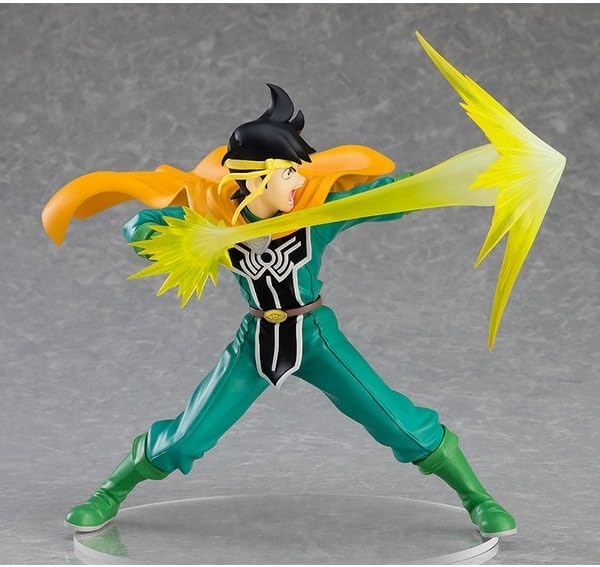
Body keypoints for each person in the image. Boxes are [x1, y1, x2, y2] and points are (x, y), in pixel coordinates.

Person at [44, 84, 516, 538]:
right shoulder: (216, 221)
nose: (299, 181)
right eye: (289, 172)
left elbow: (389, 197)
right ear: (255, 177)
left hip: (316, 337)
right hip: (254, 343)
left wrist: (477, 175)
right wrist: (189, 236)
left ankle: (479, 498)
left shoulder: (316, 218)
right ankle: (109, 493)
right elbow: (138, 227)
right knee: (189, 435)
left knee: (397, 422)